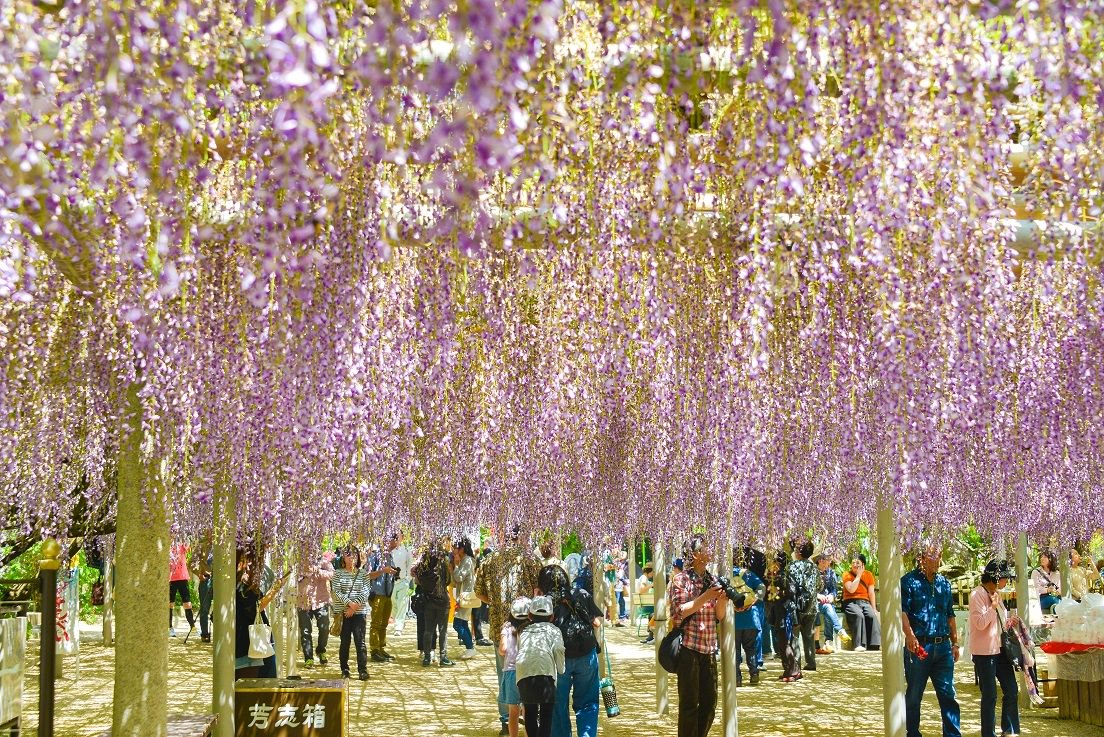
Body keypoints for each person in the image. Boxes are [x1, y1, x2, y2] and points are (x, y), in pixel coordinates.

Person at [475, 528, 542, 736]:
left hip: (500, 627)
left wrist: (496, 602)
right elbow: (539, 591)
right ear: (521, 536)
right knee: (531, 671)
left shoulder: (488, 560)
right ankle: (528, 711)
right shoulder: (530, 559)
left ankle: (506, 721)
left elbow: (479, 593)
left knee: (504, 673)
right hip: (528, 628)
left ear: (504, 536)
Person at [669, 535, 730, 737]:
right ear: (695, 555)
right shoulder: (681, 580)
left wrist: (722, 600)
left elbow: (719, 616)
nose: (710, 551)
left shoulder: (713, 580)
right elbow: (680, 611)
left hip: (709, 649)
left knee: (709, 704)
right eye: (706, 548)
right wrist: (706, 596)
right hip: (688, 647)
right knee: (688, 705)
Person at [901, 542, 961, 737]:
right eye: (932, 555)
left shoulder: (944, 583)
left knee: (948, 695)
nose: (937, 559)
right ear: (922, 558)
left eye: (938, 554)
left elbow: (950, 614)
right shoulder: (909, 581)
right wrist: (909, 635)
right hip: (919, 646)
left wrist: (955, 642)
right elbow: (903, 612)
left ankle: (952, 734)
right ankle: (913, 733)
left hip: (943, 646)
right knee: (914, 695)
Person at [539, 563, 603, 737]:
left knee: (557, 704)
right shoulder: (581, 593)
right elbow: (597, 622)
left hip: (558, 658)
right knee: (588, 703)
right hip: (586, 654)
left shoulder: (545, 601)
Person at [970, 559, 1020, 737]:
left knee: (1012, 690)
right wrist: (992, 606)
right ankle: (988, 734)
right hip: (985, 653)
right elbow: (980, 623)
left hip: (1001, 650)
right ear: (996, 578)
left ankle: (1009, 730)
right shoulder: (977, 594)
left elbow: (999, 623)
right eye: (1005, 578)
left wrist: (1010, 622)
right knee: (990, 695)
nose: (1007, 582)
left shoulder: (996, 593)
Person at [235, 545, 290, 680]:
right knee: (261, 685)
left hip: (249, 638)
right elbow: (257, 607)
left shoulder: (236, 578)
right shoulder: (243, 581)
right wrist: (276, 588)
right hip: (249, 641)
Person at [516, 595, 566, 737]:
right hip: (546, 674)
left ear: (530, 615)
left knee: (530, 713)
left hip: (524, 673)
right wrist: (561, 669)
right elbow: (558, 649)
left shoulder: (523, 631)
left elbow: (521, 651)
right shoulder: (554, 630)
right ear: (552, 616)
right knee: (546, 715)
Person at [330, 544, 371, 680]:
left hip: (359, 612)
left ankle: (362, 670)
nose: (351, 557)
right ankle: (345, 669)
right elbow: (336, 592)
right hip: (343, 613)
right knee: (345, 641)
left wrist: (354, 607)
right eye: (348, 554)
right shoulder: (338, 573)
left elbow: (365, 592)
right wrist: (349, 604)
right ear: (344, 557)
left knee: (360, 641)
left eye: (354, 554)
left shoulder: (363, 574)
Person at [415, 538, 454, 667]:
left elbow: (418, 580)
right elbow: (448, 580)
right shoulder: (444, 561)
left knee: (428, 630)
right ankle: (443, 657)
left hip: (428, 600)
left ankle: (426, 657)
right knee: (442, 630)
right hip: (442, 599)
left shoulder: (424, 562)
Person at [764, 550, 801, 682]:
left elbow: (791, 592)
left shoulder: (785, 575)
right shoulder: (775, 575)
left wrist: (777, 591)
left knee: (785, 643)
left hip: (785, 613)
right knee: (782, 643)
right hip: (778, 613)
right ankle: (788, 670)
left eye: (775, 561)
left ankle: (794, 671)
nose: (773, 563)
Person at [786, 539, 820, 672]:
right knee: (809, 635)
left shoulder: (792, 566)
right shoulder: (814, 567)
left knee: (794, 636)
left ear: (799, 552)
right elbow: (819, 585)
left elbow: (789, 586)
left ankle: (796, 665)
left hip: (796, 606)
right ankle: (811, 663)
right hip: (811, 606)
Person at [366, 535, 400, 663]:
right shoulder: (375, 555)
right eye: (394, 538)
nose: (396, 542)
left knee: (384, 623)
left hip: (387, 594)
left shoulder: (390, 556)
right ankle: (374, 650)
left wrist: (395, 574)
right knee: (376, 623)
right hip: (377, 593)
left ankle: (381, 648)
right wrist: (383, 570)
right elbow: (368, 575)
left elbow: (388, 574)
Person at [296, 553, 334, 666]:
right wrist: (305, 571)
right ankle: (308, 658)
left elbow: (332, 574)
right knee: (305, 631)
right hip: (303, 601)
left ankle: (321, 650)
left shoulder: (324, 562)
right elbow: (295, 575)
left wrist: (318, 570)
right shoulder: (301, 560)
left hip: (321, 601)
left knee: (324, 628)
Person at [499, 597, 529, 737]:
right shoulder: (532, 627)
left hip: (511, 672)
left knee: (513, 711)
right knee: (529, 710)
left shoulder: (507, 626)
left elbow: (503, 649)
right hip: (528, 672)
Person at [842, 554, 880, 651]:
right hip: (851, 602)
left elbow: (871, 593)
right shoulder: (846, 574)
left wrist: (874, 609)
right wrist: (858, 575)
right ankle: (858, 644)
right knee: (859, 615)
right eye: (853, 563)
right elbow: (851, 589)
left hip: (865, 602)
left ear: (863, 565)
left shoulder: (868, 575)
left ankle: (875, 645)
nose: (854, 565)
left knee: (872, 615)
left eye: (857, 563)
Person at [452, 537, 478, 659]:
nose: (454, 550)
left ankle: (470, 647)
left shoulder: (466, 561)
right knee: (463, 622)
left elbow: (459, 578)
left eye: (456, 548)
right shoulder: (467, 560)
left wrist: (456, 566)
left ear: (462, 549)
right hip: (465, 595)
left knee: (457, 624)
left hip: (465, 596)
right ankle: (470, 648)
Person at [813, 554, 842, 654]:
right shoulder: (813, 571)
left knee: (829, 607)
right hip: (814, 601)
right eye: (827, 560)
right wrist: (817, 596)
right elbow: (808, 589)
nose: (829, 562)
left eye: (830, 560)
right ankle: (839, 630)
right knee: (818, 609)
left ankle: (828, 642)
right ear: (820, 560)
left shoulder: (831, 572)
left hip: (826, 601)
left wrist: (831, 596)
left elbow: (834, 589)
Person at [169, 541, 195, 638]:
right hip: (171, 579)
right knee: (170, 604)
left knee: (187, 603)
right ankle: (170, 627)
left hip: (183, 577)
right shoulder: (166, 545)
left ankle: (192, 626)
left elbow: (188, 545)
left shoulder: (181, 544)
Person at [390, 532, 414, 637]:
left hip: (402, 581)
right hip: (390, 582)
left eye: (397, 537)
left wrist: (407, 579)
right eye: (393, 536)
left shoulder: (406, 551)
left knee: (402, 604)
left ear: (402, 538)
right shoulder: (388, 551)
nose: (395, 539)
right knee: (393, 603)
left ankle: (398, 627)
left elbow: (409, 565)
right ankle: (398, 621)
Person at [1030, 549, 1061, 615]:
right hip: (1041, 599)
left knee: (1059, 600)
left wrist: (1056, 592)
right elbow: (1035, 588)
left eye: (1045, 557)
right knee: (1054, 600)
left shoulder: (1056, 573)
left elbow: (1060, 586)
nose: (1042, 559)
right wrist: (1047, 590)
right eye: (1041, 557)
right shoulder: (1036, 572)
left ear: (1051, 559)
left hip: (1055, 596)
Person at [637, 561, 656, 644]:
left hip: (645, 604)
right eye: (652, 572)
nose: (652, 574)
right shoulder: (644, 578)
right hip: (646, 605)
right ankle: (651, 635)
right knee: (658, 611)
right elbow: (641, 590)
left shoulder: (643, 578)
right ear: (649, 571)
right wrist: (651, 585)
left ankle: (651, 635)